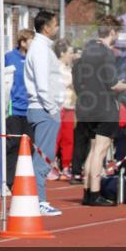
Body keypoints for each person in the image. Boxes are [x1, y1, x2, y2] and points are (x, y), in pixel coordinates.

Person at [77, 17, 126, 207]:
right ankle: (94, 192)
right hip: (104, 106)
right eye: (117, 33)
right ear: (112, 32)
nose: (117, 37)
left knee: (92, 150)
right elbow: (113, 84)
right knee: (101, 150)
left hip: (87, 106)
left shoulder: (87, 50)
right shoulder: (106, 53)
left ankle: (87, 191)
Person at [23, 9, 63, 216]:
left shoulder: (42, 48)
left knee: (43, 156)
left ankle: (36, 199)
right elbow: (42, 83)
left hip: (45, 108)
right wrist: (53, 108)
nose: (57, 28)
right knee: (43, 158)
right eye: (55, 24)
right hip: (44, 109)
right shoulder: (39, 49)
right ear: (47, 28)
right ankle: (39, 200)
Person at [4, 28, 34, 190]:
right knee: (13, 144)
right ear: (23, 42)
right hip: (13, 109)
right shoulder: (9, 57)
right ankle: (7, 182)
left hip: (30, 109)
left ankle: (24, 181)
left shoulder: (35, 59)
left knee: (30, 146)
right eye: (31, 42)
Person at [54, 38, 76, 179]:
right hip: (58, 107)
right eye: (70, 52)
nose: (72, 55)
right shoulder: (55, 67)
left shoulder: (70, 68)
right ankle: (51, 165)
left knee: (68, 138)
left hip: (70, 107)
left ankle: (66, 167)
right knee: (56, 137)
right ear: (62, 53)